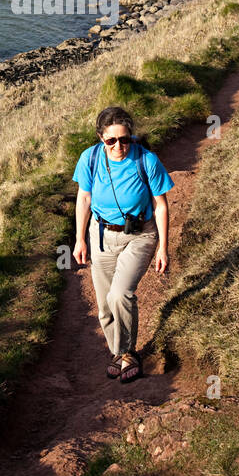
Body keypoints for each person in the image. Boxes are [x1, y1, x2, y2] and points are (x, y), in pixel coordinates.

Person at [72, 107, 173, 383]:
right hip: (101, 235)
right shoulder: (89, 158)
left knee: (120, 295)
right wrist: (80, 238)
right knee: (104, 305)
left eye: (125, 139)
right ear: (100, 138)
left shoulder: (147, 161)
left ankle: (128, 353)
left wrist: (163, 247)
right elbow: (83, 199)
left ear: (132, 136)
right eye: (111, 141)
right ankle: (118, 352)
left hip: (140, 235)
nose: (119, 146)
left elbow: (161, 206)